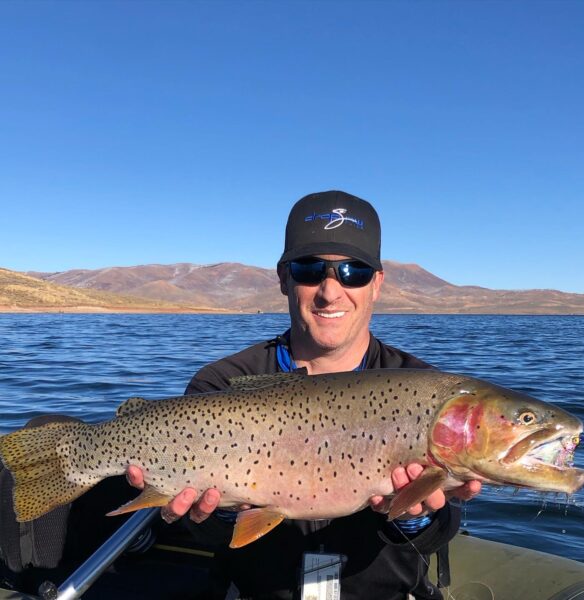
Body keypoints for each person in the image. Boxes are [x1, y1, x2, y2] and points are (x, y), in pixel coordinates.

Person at [128, 190, 481, 599]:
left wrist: (415, 517)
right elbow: (206, 531)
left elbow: (434, 536)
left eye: (354, 271)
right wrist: (221, 516)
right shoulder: (221, 385)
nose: (330, 292)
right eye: (310, 269)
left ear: (377, 284)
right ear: (283, 278)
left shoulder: (422, 387)